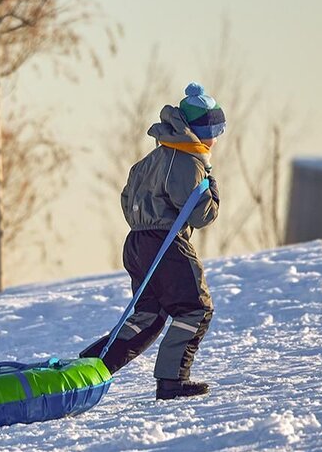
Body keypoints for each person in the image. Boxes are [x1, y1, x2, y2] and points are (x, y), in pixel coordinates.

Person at [80, 82, 223, 400]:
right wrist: (211, 184)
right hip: (167, 243)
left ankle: (89, 368)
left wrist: (145, 223)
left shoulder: (152, 159)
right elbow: (203, 215)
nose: (217, 136)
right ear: (199, 130)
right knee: (195, 309)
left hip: (137, 243)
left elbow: (127, 196)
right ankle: (173, 380)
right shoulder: (189, 162)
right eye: (215, 128)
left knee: (148, 316)